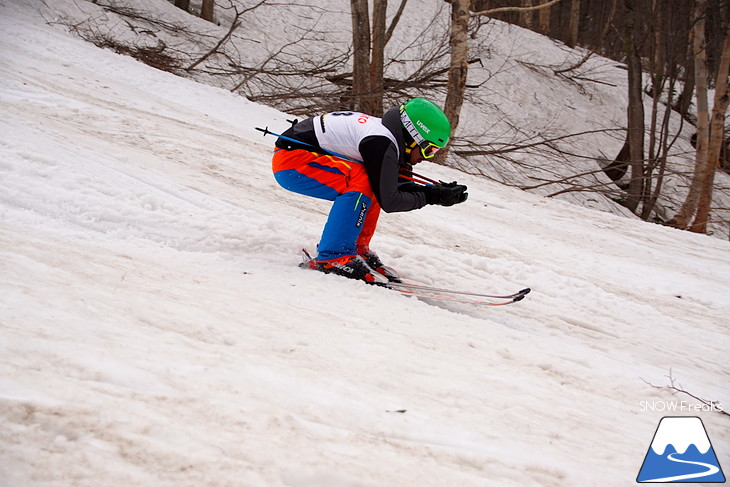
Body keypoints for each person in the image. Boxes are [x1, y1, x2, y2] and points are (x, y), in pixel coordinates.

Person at [271, 98, 468, 284]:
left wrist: (437, 193)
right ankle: (334, 255)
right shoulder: (380, 142)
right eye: (429, 149)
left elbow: (396, 184)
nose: (428, 158)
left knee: (370, 181)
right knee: (363, 181)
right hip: (291, 163)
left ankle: (354, 247)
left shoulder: (391, 139)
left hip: (303, 158)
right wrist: (431, 196)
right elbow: (390, 200)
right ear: (412, 137)